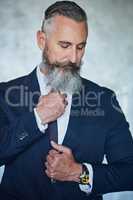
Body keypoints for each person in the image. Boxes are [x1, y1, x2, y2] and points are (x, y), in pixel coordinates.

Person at [0, 1, 133, 200]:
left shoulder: (105, 100)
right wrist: (37, 118)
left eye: (80, 47)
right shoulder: (6, 93)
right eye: (65, 45)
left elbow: (129, 172)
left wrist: (80, 173)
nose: (74, 58)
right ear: (41, 40)